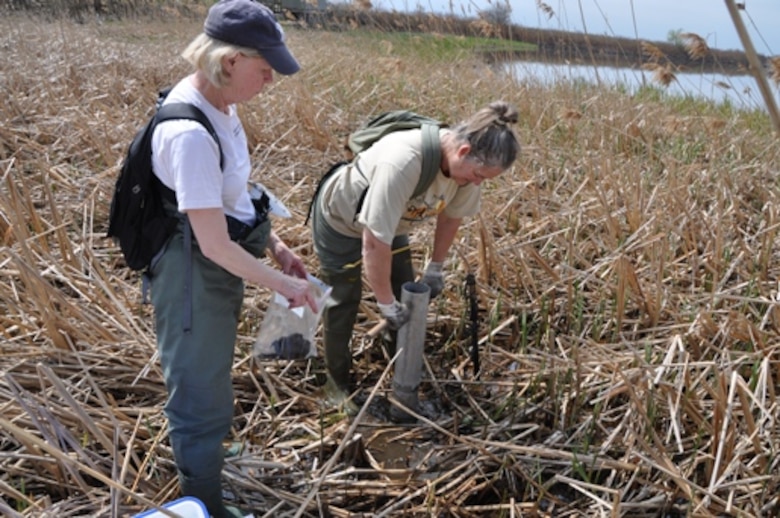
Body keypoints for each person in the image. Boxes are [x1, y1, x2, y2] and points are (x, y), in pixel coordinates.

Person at [147, 1, 317, 516]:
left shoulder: (223, 106)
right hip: (193, 275)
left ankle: (209, 458)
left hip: (218, 266)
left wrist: (277, 248)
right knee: (198, 395)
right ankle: (205, 502)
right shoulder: (190, 134)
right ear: (229, 62)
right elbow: (215, 244)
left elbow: (233, 196)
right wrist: (283, 287)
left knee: (214, 374)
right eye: (264, 70)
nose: (270, 80)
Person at [310, 101, 520, 413]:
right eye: (478, 175)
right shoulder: (403, 161)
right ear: (463, 152)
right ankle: (335, 383)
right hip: (342, 219)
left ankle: (398, 358)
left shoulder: (468, 171)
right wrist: (384, 304)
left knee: (403, 286)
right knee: (344, 299)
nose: (478, 183)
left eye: (485, 179)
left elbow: (451, 217)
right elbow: (373, 242)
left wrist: (436, 267)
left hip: (393, 221)